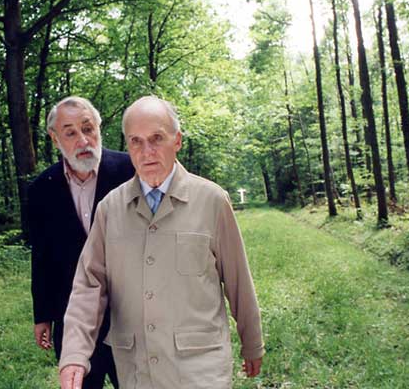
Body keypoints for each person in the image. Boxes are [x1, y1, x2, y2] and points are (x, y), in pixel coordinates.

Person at [59, 95, 264, 389]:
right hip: (137, 372)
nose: (147, 152)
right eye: (136, 142)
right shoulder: (110, 209)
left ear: (177, 140)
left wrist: (252, 343)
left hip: (200, 369)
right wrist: (75, 354)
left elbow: (238, 281)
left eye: (157, 138)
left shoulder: (212, 200)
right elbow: (88, 287)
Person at [29, 96, 135, 389]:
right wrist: (43, 316)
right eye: (70, 132)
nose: (83, 140)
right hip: (73, 318)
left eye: (88, 129)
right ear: (55, 138)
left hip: (132, 315)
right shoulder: (41, 189)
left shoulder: (132, 171)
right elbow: (42, 257)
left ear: (100, 127)